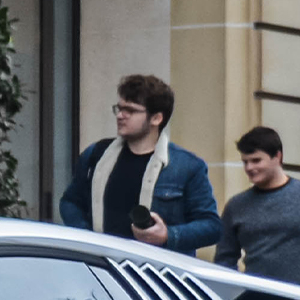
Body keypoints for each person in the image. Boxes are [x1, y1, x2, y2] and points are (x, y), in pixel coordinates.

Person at [58, 73, 220, 252]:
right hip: (102, 266)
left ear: (156, 118)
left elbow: (211, 226)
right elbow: (70, 202)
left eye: (131, 110)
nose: (120, 115)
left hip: (156, 272)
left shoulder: (187, 166)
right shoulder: (96, 155)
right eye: (119, 109)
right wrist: (86, 237)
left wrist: (168, 235)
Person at [213, 126, 300, 291]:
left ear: (277, 157)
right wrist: (234, 291)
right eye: (245, 162)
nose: (249, 168)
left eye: (256, 160)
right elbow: (224, 259)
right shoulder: (236, 206)